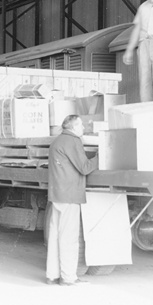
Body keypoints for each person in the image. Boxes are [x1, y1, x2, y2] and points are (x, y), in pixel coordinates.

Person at [46, 115, 98, 286]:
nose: (83, 127)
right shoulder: (73, 141)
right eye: (81, 124)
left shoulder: (56, 142)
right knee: (69, 237)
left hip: (57, 195)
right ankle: (68, 277)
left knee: (55, 236)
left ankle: (52, 275)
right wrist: (101, 155)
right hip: (70, 195)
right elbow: (84, 168)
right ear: (74, 127)